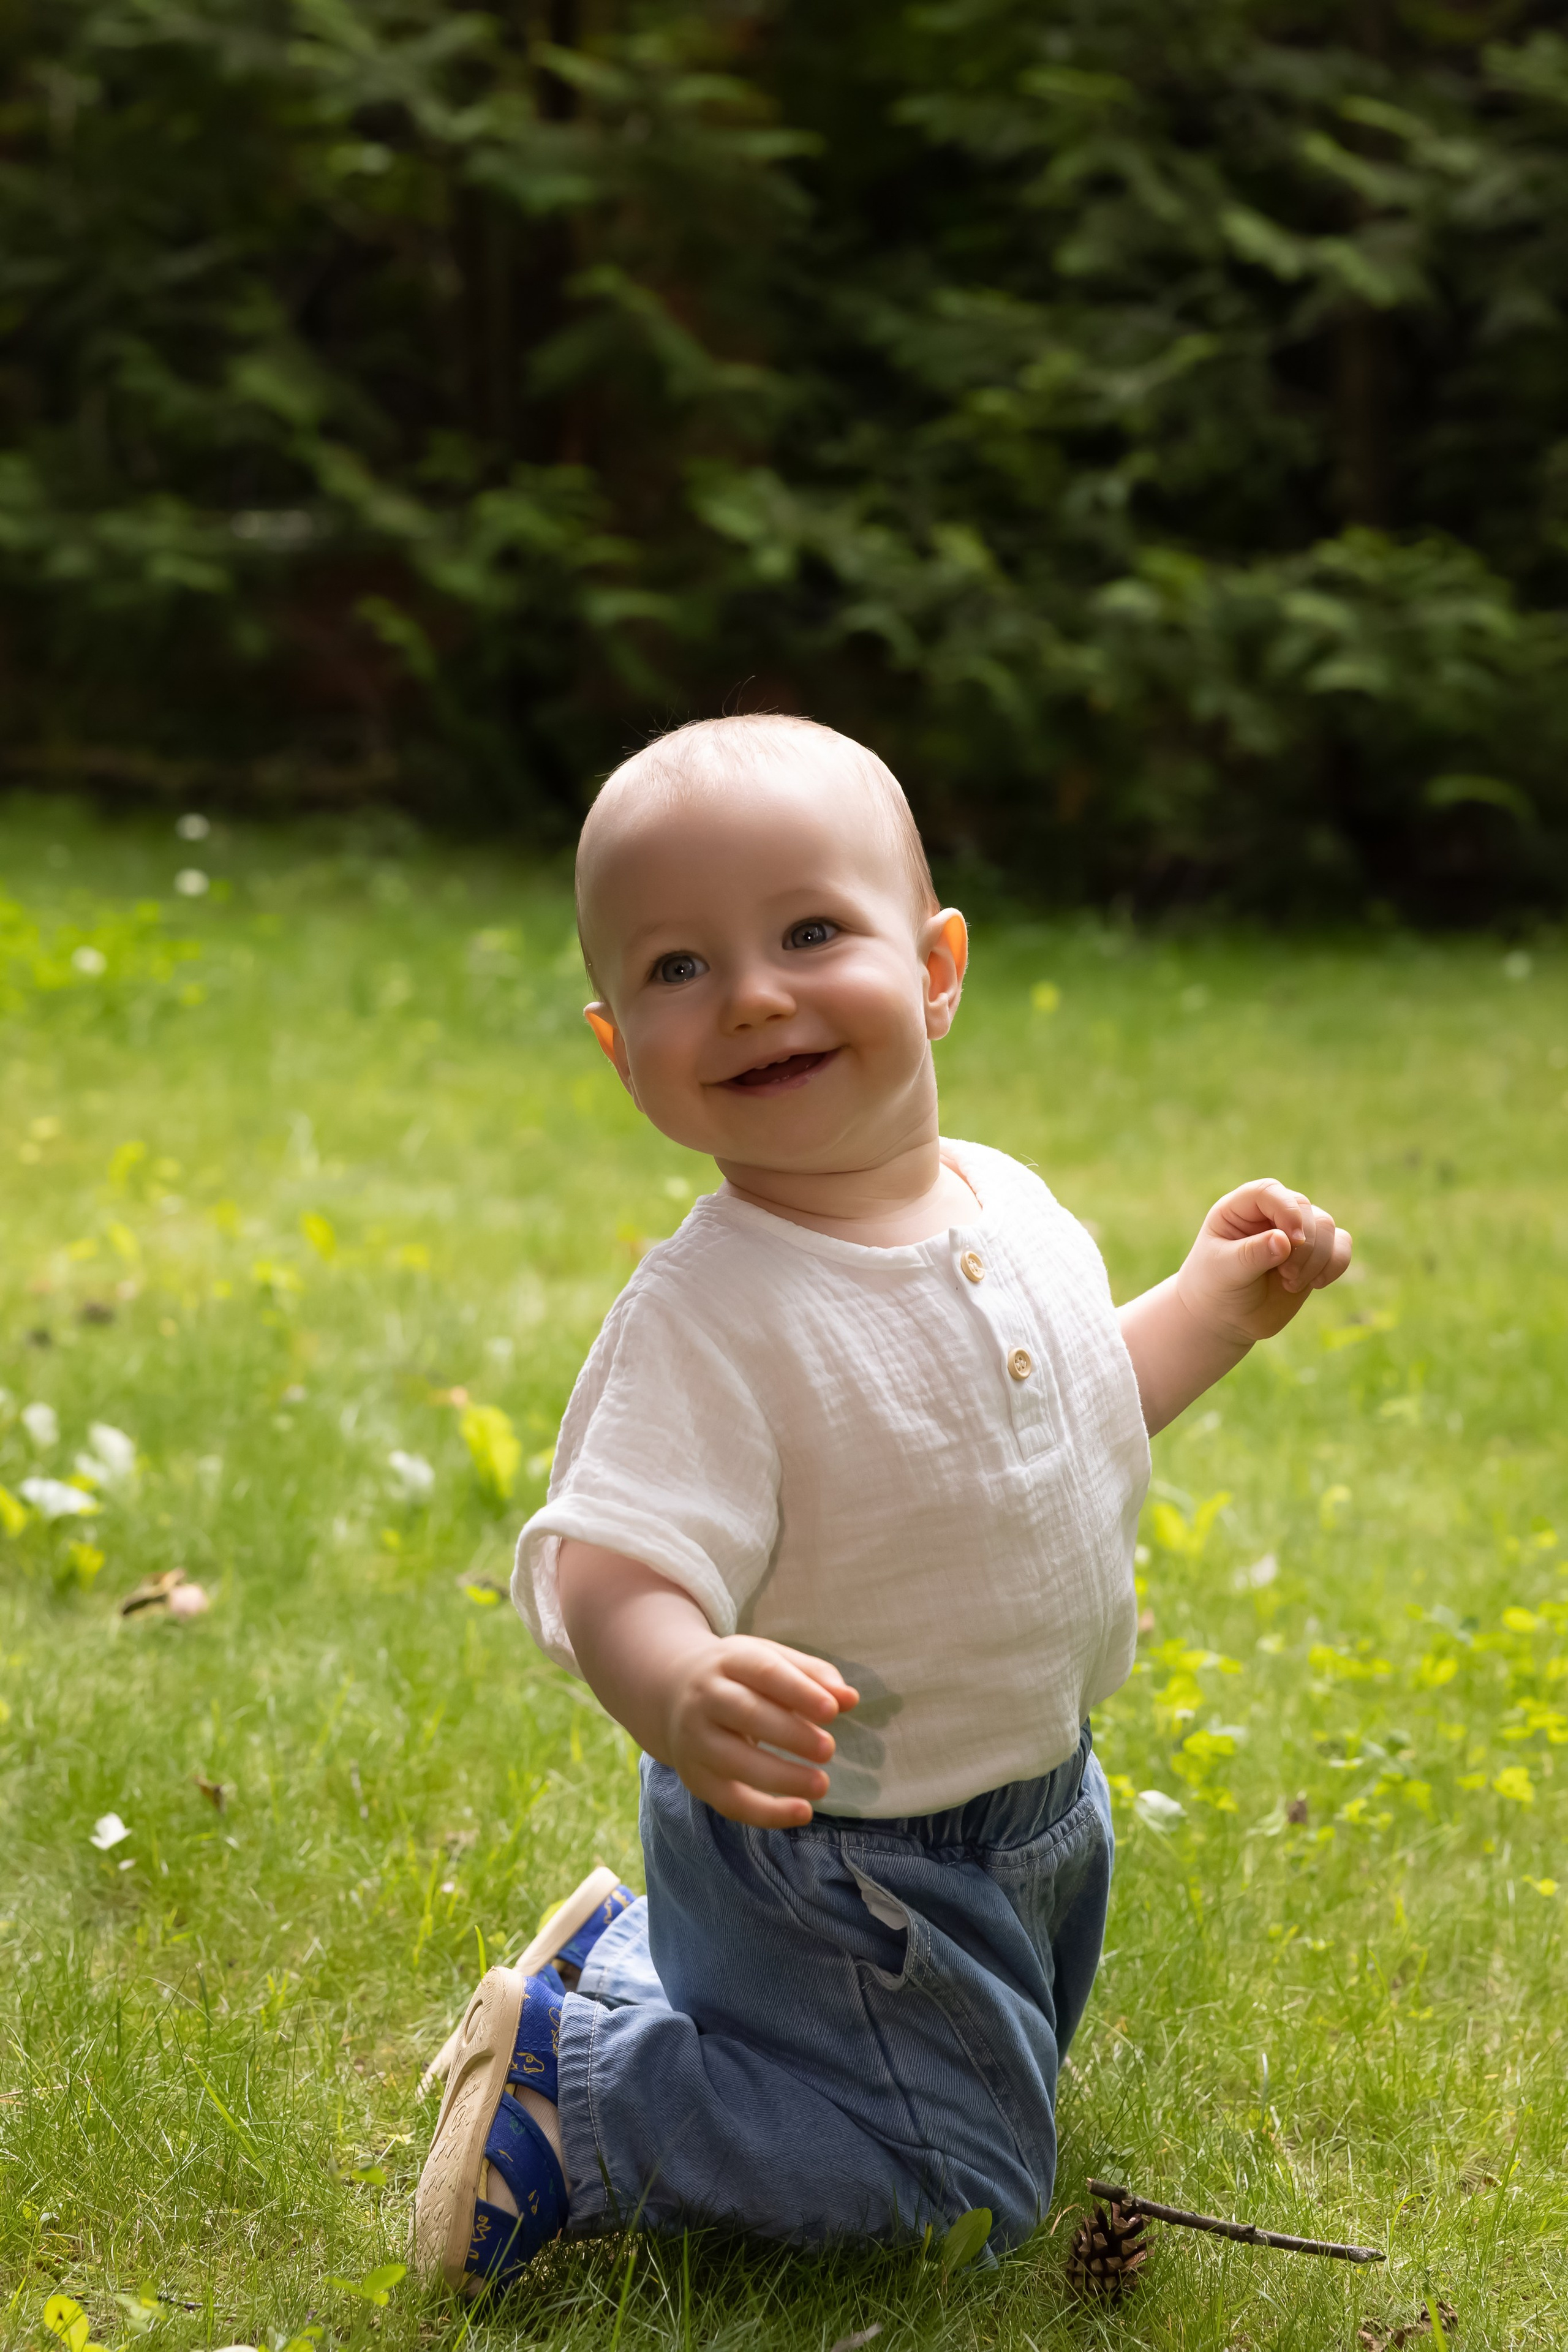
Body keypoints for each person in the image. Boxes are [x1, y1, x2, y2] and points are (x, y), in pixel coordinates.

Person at [413, 714, 1352, 2294]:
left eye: (807, 932)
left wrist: (1211, 1306)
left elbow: (1066, 1410)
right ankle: (577, 2103)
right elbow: (611, 1568)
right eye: (677, 970)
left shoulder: (1010, 1201)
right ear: (617, 1045)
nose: (755, 993)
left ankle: (632, 1975)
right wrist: (681, 1680)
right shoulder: (713, 1314)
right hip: (842, 1851)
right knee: (964, 2185)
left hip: (1034, 1797)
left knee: (999, 2092)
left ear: (936, 967)